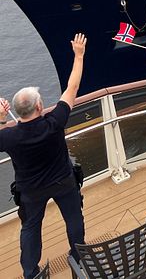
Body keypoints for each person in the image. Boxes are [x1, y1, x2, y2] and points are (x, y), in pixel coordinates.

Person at [0, 34, 87, 279]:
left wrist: (2, 119)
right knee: (73, 219)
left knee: (30, 228)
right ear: (40, 107)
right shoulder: (54, 122)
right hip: (63, 182)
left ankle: (30, 272)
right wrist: (78, 55)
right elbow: (72, 88)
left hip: (31, 190)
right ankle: (79, 257)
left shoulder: (10, 137)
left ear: (18, 112)